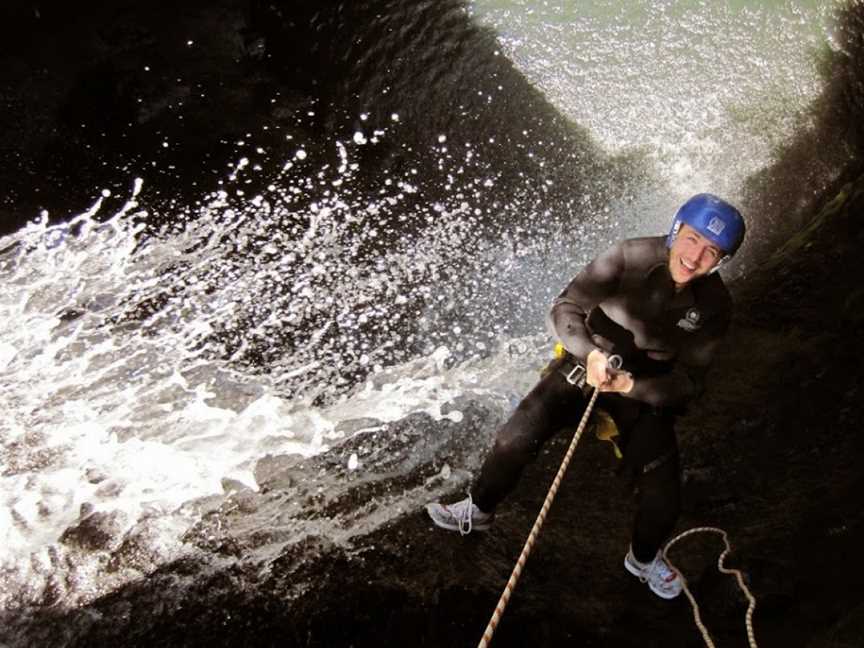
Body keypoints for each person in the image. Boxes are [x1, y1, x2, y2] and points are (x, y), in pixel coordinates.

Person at [426, 193, 745, 600]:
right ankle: (479, 509)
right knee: (514, 439)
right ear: (676, 229)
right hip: (588, 363)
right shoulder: (627, 256)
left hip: (642, 389)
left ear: (721, 261)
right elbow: (566, 306)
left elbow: (691, 381)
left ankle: (642, 560)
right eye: (692, 239)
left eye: (711, 251)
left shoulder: (716, 304)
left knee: (664, 498)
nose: (694, 256)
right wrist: (590, 355)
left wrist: (633, 387)